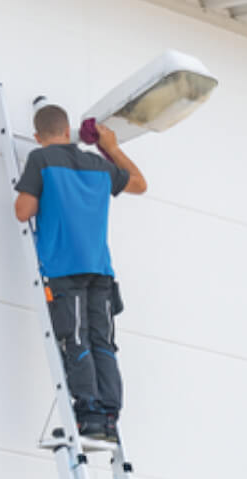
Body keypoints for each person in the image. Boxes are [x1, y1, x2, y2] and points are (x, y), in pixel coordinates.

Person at [14, 103, 147, 443]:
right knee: (102, 342)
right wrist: (112, 148)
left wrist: (48, 198)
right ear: (66, 129)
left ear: (37, 136)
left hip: (64, 268)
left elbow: (22, 211)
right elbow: (139, 184)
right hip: (100, 270)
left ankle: (88, 415)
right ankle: (109, 416)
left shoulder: (41, 160)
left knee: (75, 340)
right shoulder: (97, 165)